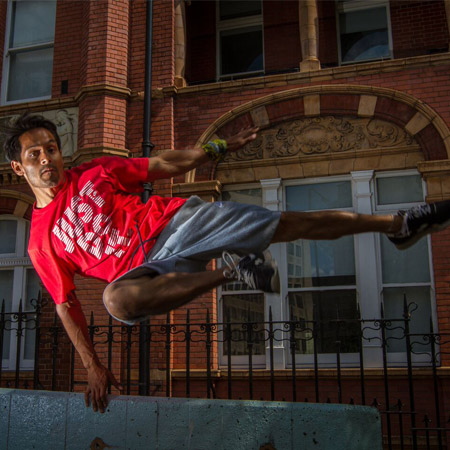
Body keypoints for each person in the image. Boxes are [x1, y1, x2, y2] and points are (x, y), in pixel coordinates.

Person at [5, 113, 450, 413]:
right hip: (146, 269)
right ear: (17, 168)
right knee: (116, 300)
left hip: (180, 224)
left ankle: (398, 223)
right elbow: (66, 306)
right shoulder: (41, 242)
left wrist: (214, 148)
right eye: (35, 155)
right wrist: (92, 366)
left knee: (289, 224)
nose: (47, 159)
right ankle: (231, 270)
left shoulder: (94, 172)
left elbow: (161, 164)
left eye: (52, 149)